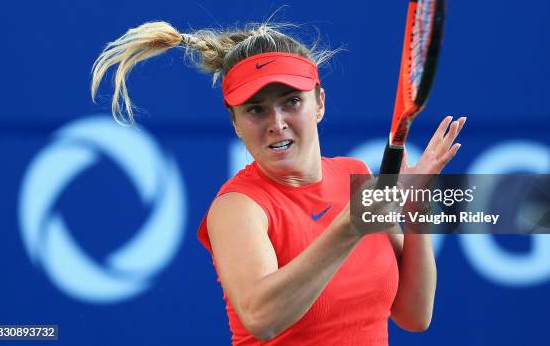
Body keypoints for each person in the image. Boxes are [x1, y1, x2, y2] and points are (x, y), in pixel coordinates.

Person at [90, 20, 465, 346]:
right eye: (255, 109)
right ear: (235, 122)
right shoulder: (238, 207)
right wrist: (351, 225)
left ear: (318, 103)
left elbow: (414, 315)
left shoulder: (356, 175)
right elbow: (263, 318)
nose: (276, 122)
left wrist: (417, 209)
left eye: (291, 102)